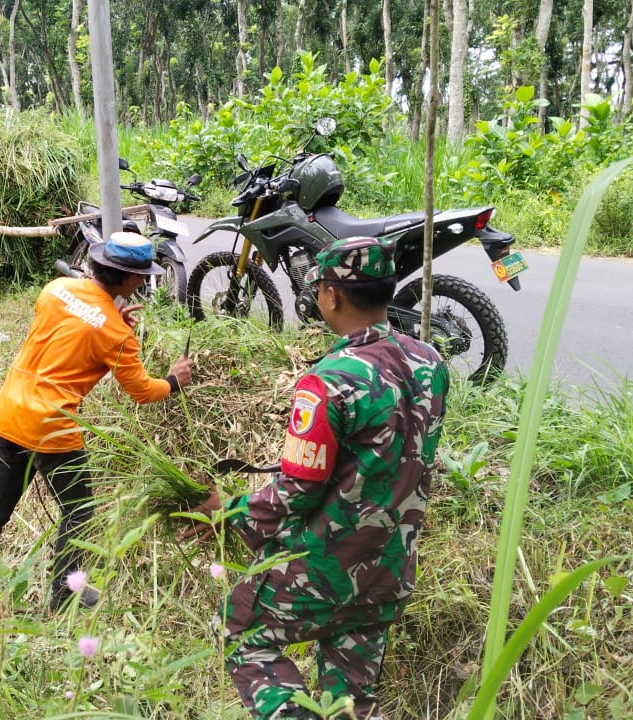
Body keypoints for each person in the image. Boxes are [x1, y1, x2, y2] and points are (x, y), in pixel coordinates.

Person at [183, 237, 449, 720]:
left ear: (332, 295)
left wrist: (229, 513)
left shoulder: (330, 379)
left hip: (323, 568)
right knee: (349, 698)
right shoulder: (430, 361)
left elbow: (297, 489)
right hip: (388, 569)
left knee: (244, 634)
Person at [0, 232, 195, 610]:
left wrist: (107, 317)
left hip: (9, 411)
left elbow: (70, 330)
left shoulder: (56, 288)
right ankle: (63, 594)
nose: (142, 283)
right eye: (141, 277)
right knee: (79, 512)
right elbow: (141, 391)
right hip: (52, 428)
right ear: (128, 279)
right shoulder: (117, 332)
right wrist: (174, 380)